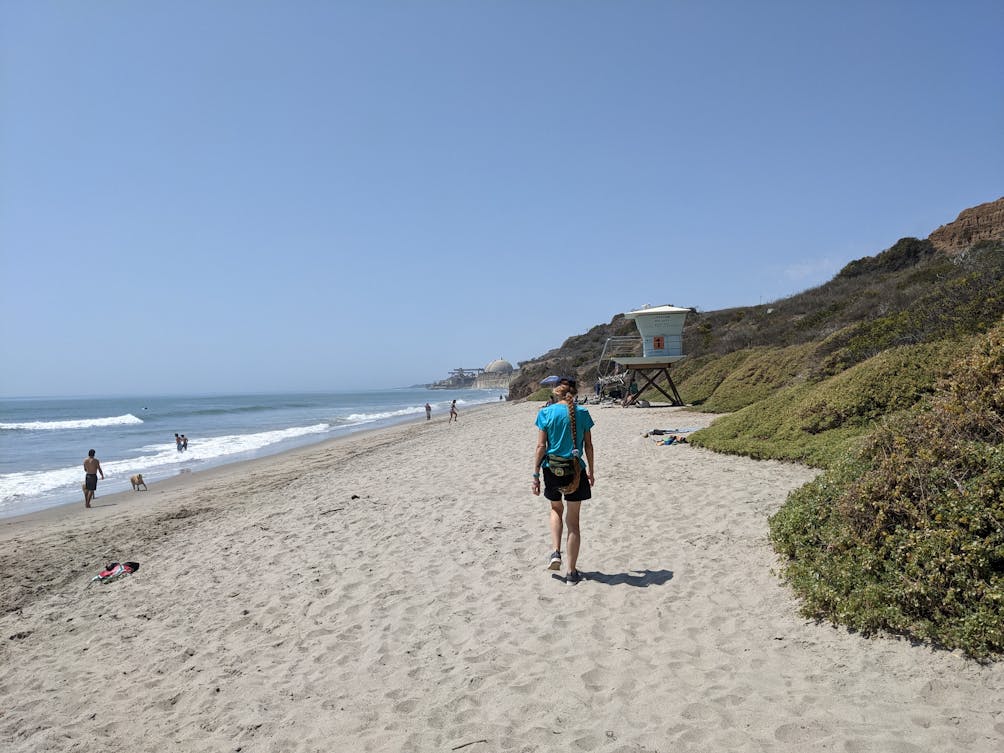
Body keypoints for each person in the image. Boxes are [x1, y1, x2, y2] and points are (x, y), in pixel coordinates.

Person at [531, 378, 595, 584]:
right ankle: (571, 572)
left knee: (556, 510)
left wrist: (535, 475)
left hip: (552, 470)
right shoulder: (582, 413)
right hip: (576, 470)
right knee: (574, 522)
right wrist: (591, 471)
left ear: (555, 392)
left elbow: (541, 447)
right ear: (574, 393)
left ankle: (556, 552)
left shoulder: (546, 413)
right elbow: (589, 446)